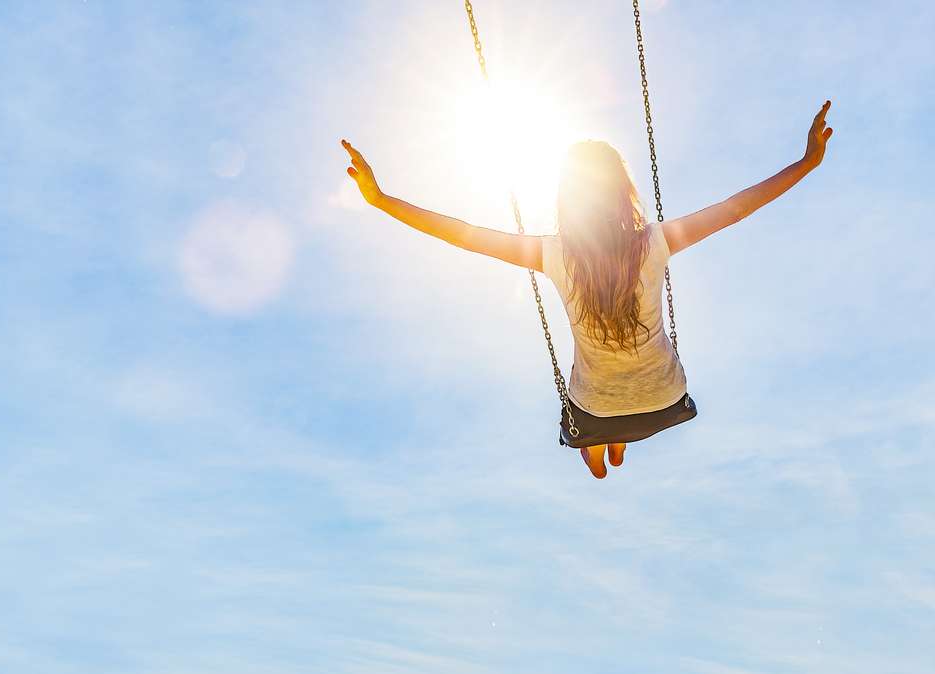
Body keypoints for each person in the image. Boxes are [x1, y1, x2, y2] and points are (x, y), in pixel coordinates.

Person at [340, 101, 833, 478]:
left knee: (596, 452)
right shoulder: (655, 242)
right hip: (666, 398)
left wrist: (381, 199)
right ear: (623, 193)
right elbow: (737, 207)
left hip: (594, 409)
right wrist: (807, 162)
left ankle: (607, 442)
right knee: (619, 402)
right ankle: (618, 438)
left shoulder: (554, 254)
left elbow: (463, 233)